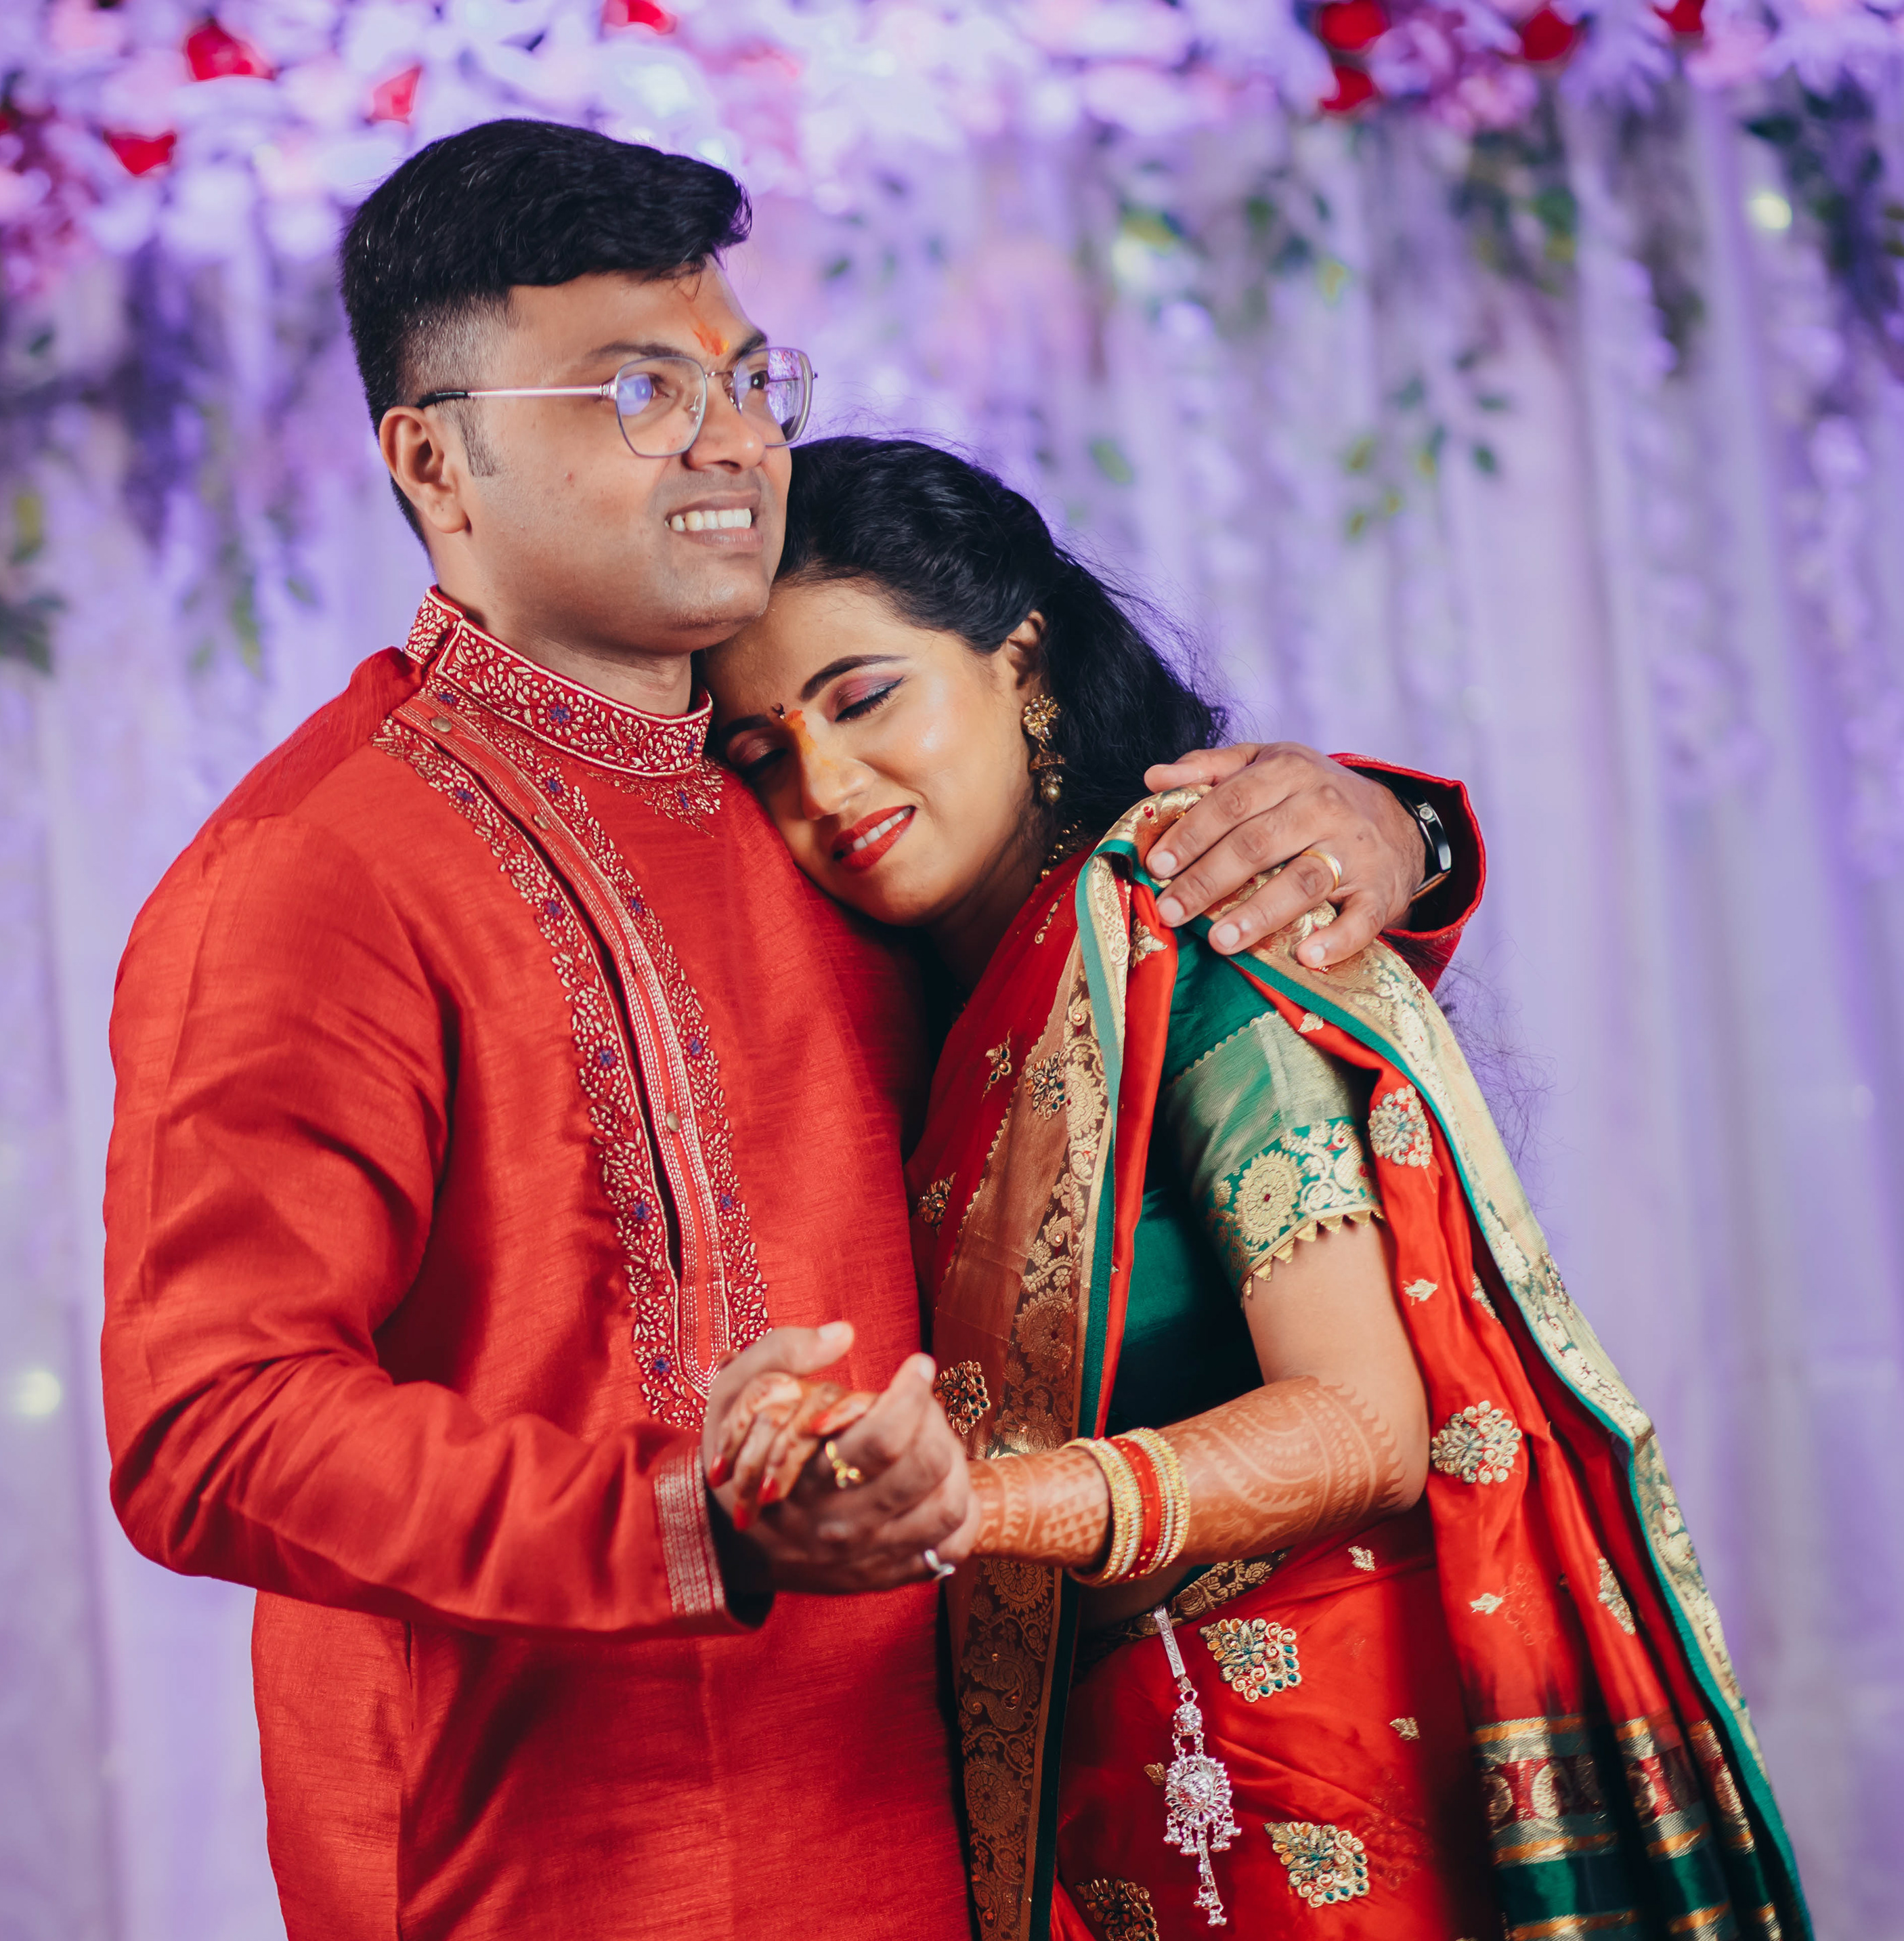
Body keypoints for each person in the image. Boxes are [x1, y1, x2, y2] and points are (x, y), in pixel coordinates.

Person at [100, 122, 1484, 1941]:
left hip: (960, 1847)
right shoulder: (318, 871)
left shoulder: (797, 800)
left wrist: (1390, 829)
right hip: (556, 1879)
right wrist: (695, 1519)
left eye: (750, 382)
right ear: (435, 460)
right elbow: (208, 1425)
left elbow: (1105, 979)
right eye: (640, 391)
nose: (734, 441)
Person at [701, 437, 1810, 1941]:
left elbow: (1365, 1422)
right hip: (1110, 1805)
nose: (826, 785)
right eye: (762, 751)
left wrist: (978, 1505)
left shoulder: (1201, 910)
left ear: (1021, 656)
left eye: (863, 696)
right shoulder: (911, 1016)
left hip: (1323, 1785)